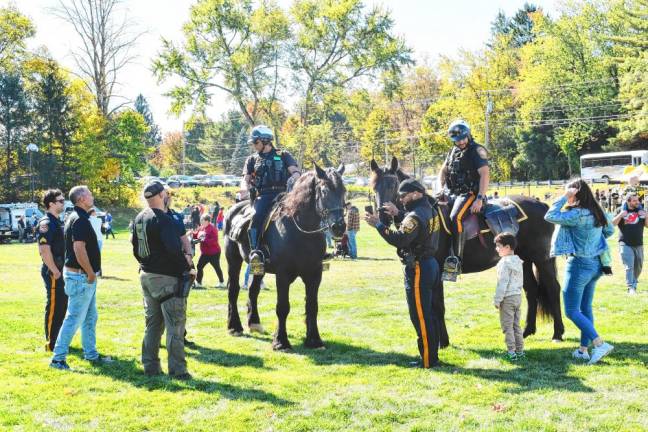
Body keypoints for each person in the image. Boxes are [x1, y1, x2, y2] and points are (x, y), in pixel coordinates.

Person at [365, 178, 442, 368]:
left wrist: (378, 225)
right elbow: (416, 231)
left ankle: (428, 361)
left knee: (420, 316)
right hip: (431, 264)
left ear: (416, 194)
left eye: (404, 195)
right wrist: (398, 214)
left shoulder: (414, 216)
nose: (401, 199)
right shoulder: (429, 209)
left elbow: (400, 239)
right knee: (429, 314)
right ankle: (431, 356)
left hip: (418, 268)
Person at [544, 179, 615, 365]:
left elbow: (550, 215)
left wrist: (564, 196)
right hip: (596, 265)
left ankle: (599, 344)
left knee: (571, 311)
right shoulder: (598, 211)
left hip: (578, 265)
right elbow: (609, 231)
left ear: (576, 193)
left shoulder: (577, 214)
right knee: (585, 308)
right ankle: (583, 350)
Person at [131, 180, 195, 379]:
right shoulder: (164, 219)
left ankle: (150, 366)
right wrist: (189, 268)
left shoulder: (140, 218)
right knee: (175, 326)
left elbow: (135, 248)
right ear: (161, 195)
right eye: (165, 193)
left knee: (152, 326)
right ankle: (178, 371)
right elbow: (174, 250)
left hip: (146, 276)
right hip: (166, 278)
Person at [50, 186, 111, 370]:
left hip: (80, 276)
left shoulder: (77, 217)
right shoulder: (80, 221)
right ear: (82, 199)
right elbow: (79, 248)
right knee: (74, 318)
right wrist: (91, 272)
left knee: (90, 317)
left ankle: (91, 354)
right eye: (90, 194)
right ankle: (58, 359)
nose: (92, 196)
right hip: (81, 277)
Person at [243, 125, 301, 275]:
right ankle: (255, 253)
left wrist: (294, 178)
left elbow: (295, 171)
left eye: (255, 143)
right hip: (264, 195)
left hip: (285, 194)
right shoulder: (252, 159)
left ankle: (317, 250)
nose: (254, 146)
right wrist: (245, 187)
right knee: (256, 216)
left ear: (265, 141)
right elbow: (246, 178)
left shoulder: (283, 154)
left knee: (306, 210)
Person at [437, 119, 490, 279]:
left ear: (468, 135)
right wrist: (440, 188)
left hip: (470, 194)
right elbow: (443, 171)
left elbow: (485, 174)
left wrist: (479, 198)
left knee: (455, 217)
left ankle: (456, 260)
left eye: (462, 138)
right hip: (451, 193)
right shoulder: (452, 151)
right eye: (456, 140)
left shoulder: (477, 150)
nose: (460, 142)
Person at [37, 189, 68, 352]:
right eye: (61, 201)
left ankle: (60, 340)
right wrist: (55, 270)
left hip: (61, 269)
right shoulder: (46, 223)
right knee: (55, 307)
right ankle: (51, 343)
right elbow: (44, 250)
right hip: (54, 271)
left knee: (62, 306)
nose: (64, 203)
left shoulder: (57, 221)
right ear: (51, 204)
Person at [493, 232, 525, 361]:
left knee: (507, 326)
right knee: (516, 325)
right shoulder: (517, 260)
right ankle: (520, 350)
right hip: (517, 296)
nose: (497, 249)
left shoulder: (504, 263)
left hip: (507, 298)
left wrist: (497, 299)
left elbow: (502, 283)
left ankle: (511, 351)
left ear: (507, 247)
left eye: (498, 246)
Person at [612, 193, 647, 295]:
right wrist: (621, 215)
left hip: (639, 243)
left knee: (639, 266)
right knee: (629, 266)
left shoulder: (641, 211)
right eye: (635, 201)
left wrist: (646, 216)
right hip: (625, 242)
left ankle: (634, 284)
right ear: (628, 201)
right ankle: (630, 287)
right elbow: (612, 224)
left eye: (638, 200)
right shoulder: (621, 210)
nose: (638, 202)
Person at [192, 214, 224, 288]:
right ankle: (199, 283)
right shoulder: (202, 228)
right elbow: (197, 235)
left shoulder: (213, 229)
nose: (201, 222)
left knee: (216, 267)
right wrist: (192, 234)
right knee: (199, 266)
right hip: (205, 253)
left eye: (202, 220)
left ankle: (222, 283)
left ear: (207, 221)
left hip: (214, 253)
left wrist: (202, 240)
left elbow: (214, 240)